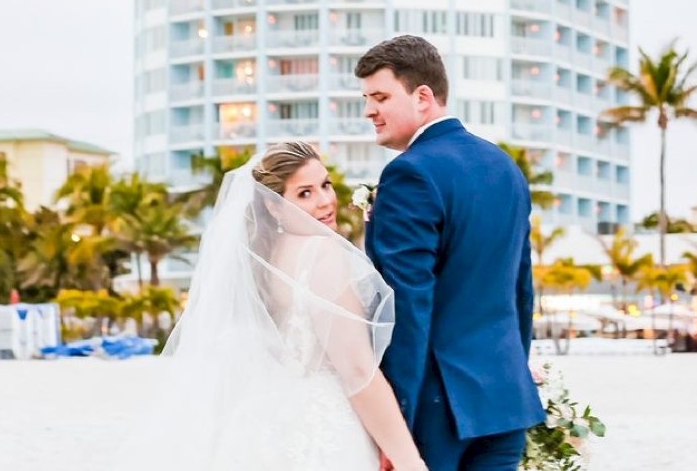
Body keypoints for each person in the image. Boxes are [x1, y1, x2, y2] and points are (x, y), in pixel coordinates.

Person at [146, 142, 427, 471]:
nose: (325, 201)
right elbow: (358, 371)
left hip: (265, 428)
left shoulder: (259, 263)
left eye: (325, 185)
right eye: (304, 194)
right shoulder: (322, 254)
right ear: (275, 207)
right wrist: (410, 459)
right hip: (324, 431)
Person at [356, 35, 545, 471]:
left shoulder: (410, 173)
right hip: (504, 400)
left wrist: (395, 424)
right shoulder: (504, 167)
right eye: (367, 98)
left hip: (436, 409)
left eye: (380, 97)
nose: (369, 111)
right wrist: (513, 369)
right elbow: (521, 292)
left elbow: (408, 304)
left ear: (423, 97)